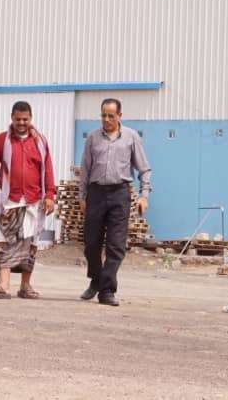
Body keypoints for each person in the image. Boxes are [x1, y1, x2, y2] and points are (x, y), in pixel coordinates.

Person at [0, 100, 56, 299]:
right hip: (8, 200)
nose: (21, 123)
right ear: (12, 118)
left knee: (31, 242)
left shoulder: (40, 142)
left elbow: (47, 169)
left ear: (30, 118)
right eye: (18, 119)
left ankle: (25, 286)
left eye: (25, 119)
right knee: (6, 241)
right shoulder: (2, 141)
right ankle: (3, 285)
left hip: (34, 200)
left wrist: (50, 195)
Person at [79, 98, 152, 306]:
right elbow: (85, 169)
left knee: (116, 245)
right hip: (96, 194)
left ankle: (107, 291)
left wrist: (144, 195)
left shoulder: (131, 137)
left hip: (120, 193)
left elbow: (144, 169)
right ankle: (96, 278)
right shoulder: (93, 138)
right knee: (91, 243)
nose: (106, 119)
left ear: (119, 116)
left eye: (111, 116)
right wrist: (82, 196)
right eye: (103, 115)